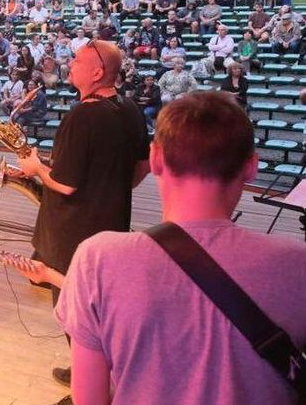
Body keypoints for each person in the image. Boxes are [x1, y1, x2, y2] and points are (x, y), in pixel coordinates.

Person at [56, 93, 306, 405]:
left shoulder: (96, 258)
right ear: (251, 167)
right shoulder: (297, 264)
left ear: (156, 159)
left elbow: (89, 401)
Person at [17, 39, 150, 390]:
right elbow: (142, 167)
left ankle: (89, 382)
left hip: (71, 233)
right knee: (102, 309)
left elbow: (64, 185)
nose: (70, 64)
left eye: (77, 60)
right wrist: (110, 188)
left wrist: (34, 167)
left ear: (97, 71)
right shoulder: (131, 109)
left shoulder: (83, 115)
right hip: (112, 228)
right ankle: (102, 374)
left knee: (73, 310)